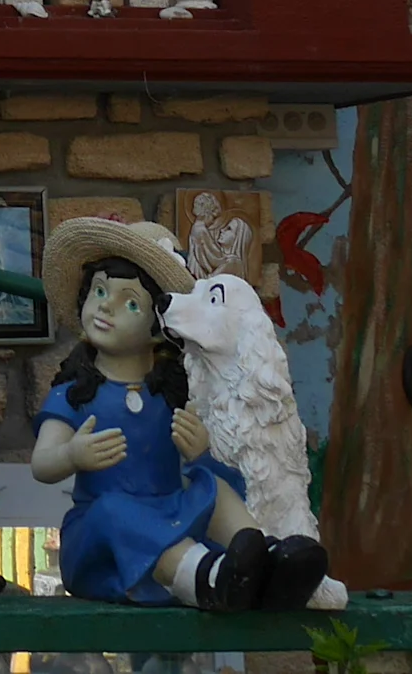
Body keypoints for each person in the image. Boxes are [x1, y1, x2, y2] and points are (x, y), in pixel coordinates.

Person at [28, 215, 325, 611]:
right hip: (102, 545)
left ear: (157, 327)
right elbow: (41, 464)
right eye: (99, 291)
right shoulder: (75, 393)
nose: (106, 307)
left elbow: (214, 468)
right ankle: (206, 578)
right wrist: (70, 455)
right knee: (116, 510)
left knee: (210, 485)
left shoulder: (172, 394)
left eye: (129, 303)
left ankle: (264, 560)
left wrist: (201, 450)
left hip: (169, 513)